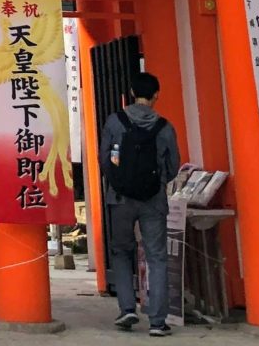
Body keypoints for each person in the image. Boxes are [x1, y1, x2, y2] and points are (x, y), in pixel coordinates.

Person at [99, 72, 180, 336]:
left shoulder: (115, 121)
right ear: (156, 95)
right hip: (153, 200)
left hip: (120, 198)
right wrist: (158, 180)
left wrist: (118, 181)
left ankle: (127, 309)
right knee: (156, 257)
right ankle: (157, 322)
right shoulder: (165, 127)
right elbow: (173, 166)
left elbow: (104, 160)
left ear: (132, 92)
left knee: (122, 251)